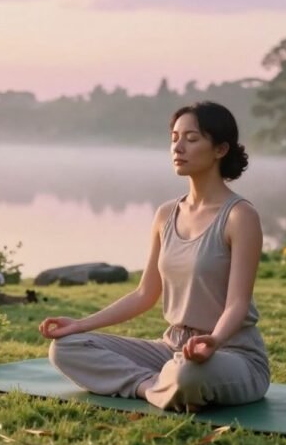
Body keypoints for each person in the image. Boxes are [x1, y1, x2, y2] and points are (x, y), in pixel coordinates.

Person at [39, 101, 269, 412]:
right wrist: (80, 325)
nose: (178, 147)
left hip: (231, 353)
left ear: (220, 149)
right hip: (171, 349)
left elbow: (238, 303)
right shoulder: (165, 214)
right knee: (65, 348)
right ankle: (150, 387)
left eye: (191, 138)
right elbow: (145, 293)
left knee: (187, 373)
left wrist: (213, 340)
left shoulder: (240, 216)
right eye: (174, 137)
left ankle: (171, 383)